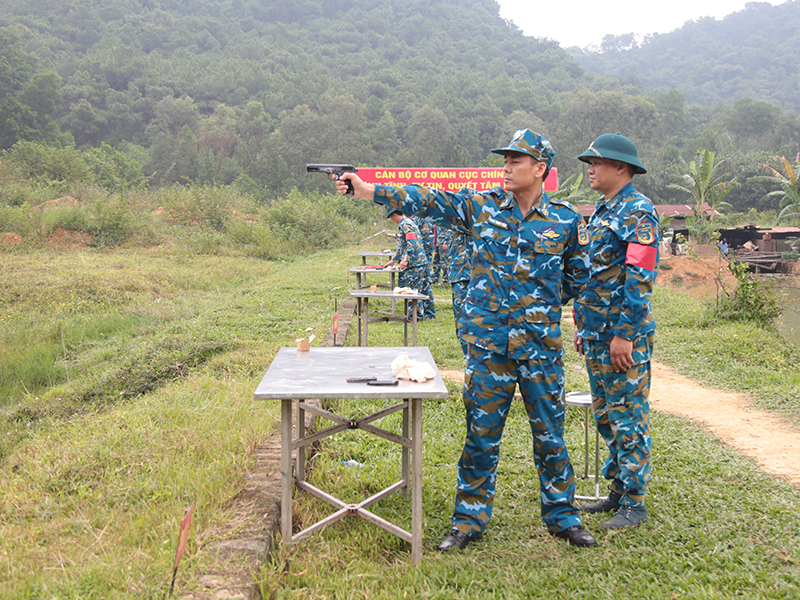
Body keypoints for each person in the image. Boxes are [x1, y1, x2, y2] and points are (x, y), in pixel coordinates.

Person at [336, 129, 596, 550]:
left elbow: (577, 277)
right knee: (481, 436)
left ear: (540, 169)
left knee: (550, 435)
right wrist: (369, 190)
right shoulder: (481, 207)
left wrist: (538, 305)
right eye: (505, 159)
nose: (507, 166)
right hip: (489, 348)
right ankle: (469, 521)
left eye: (517, 160)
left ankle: (563, 517)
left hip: (540, 350)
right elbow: (429, 199)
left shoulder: (566, 220)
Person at [573, 133, 660, 529]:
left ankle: (635, 502)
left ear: (620, 167)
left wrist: (625, 333)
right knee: (606, 415)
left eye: (596, 163)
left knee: (628, 417)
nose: (590, 169)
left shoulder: (639, 212)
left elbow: (640, 278)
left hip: (621, 337)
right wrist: (582, 322)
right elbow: (591, 271)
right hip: (596, 333)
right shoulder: (603, 210)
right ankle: (619, 491)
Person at [384, 208, 436, 320]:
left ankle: (416, 316)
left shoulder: (407, 224)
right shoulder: (404, 224)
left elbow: (411, 243)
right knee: (423, 288)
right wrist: (394, 259)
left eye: (391, 218)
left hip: (415, 263)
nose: (392, 220)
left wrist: (406, 259)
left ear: (394, 215)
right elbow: (402, 245)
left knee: (413, 290)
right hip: (418, 261)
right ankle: (427, 314)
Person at [444, 222, 471, 359]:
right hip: (460, 274)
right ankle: (467, 352)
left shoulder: (478, 214)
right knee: (460, 317)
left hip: (473, 274)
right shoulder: (454, 220)